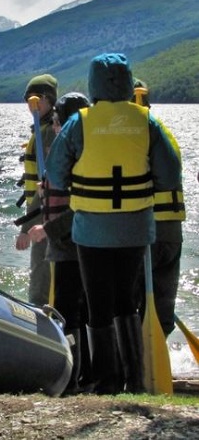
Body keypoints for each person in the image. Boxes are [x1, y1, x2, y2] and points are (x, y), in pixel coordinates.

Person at [45, 53, 181, 395]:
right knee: (126, 301)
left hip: (91, 230)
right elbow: (170, 176)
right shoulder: (146, 121)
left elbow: (56, 175)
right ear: (126, 79)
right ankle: (133, 377)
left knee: (98, 303)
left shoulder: (81, 122)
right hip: (135, 229)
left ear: (93, 84)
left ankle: (106, 382)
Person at [28, 92, 92, 395]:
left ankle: (74, 377)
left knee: (70, 310)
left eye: (55, 120)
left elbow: (78, 207)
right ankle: (82, 374)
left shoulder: (77, 154)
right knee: (77, 309)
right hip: (71, 243)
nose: (52, 125)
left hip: (71, 244)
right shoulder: (75, 150)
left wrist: (47, 230)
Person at [131, 80, 185, 338]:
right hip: (172, 234)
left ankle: (134, 369)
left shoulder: (134, 139)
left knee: (129, 305)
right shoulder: (164, 133)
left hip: (147, 233)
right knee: (161, 308)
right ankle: (157, 363)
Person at [15, 74, 58, 306]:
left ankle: (44, 327)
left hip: (44, 218)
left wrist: (26, 227)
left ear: (46, 100)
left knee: (41, 281)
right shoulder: (42, 130)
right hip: (43, 216)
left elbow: (47, 188)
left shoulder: (49, 133)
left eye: (33, 102)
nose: (30, 107)